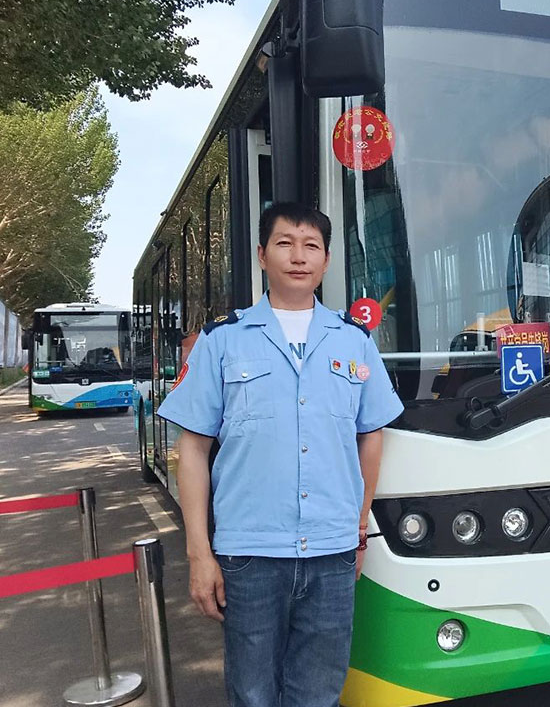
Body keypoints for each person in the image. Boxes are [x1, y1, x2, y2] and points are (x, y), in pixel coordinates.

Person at [157, 202, 403, 707]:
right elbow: (193, 449)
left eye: (311, 246)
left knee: (319, 692)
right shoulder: (222, 340)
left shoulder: (354, 342)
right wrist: (199, 553)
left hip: (332, 551)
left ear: (326, 261)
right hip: (249, 555)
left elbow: (371, 435)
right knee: (252, 693)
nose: (298, 256)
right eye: (285, 243)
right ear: (262, 255)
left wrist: (359, 527)